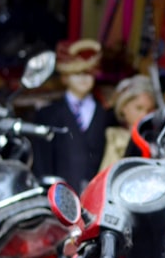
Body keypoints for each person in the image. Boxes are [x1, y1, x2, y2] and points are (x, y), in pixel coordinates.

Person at [31, 39, 114, 192]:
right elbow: (42, 161)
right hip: (61, 194)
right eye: (77, 73)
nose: (83, 78)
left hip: (97, 193)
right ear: (65, 77)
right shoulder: (48, 114)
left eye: (88, 73)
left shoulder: (106, 113)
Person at [100, 74, 159, 171]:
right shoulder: (113, 136)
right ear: (123, 107)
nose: (144, 115)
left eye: (149, 110)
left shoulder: (156, 138)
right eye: (138, 108)